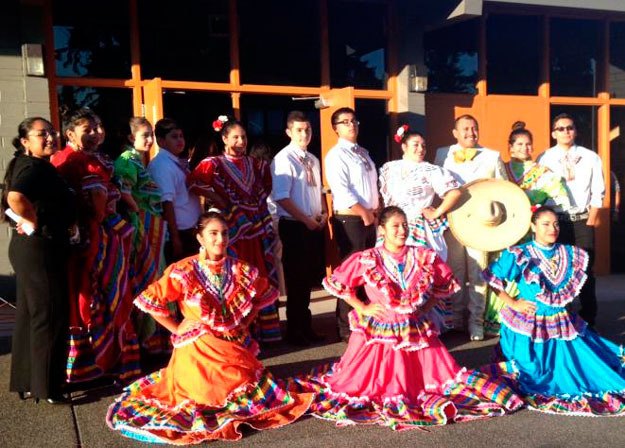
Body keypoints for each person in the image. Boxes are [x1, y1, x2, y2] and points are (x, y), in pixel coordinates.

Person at [284, 206, 523, 430]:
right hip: (380, 328)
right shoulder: (368, 258)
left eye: (405, 225)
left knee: (442, 381)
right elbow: (339, 284)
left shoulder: (422, 255)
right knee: (361, 384)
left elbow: (445, 285)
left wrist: (425, 307)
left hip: (414, 328)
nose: (402, 231)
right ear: (382, 230)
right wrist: (363, 307)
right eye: (396, 226)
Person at [106, 211, 314, 444]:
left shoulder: (239, 269)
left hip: (232, 342)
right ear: (200, 239)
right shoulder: (184, 270)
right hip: (199, 346)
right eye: (213, 233)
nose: (220, 239)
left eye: (224, 233)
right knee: (205, 394)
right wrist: (177, 328)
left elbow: (262, 295)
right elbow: (152, 301)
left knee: (244, 389)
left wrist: (243, 322)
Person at [482, 206, 625, 416]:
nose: (553, 228)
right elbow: (493, 278)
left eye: (556, 224)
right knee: (534, 372)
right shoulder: (520, 253)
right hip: (529, 325)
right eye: (546, 224)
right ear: (533, 226)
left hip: (560, 322)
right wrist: (512, 303)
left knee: (590, 366)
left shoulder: (569, 253)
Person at [52, 108, 139, 383]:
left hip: (99, 236)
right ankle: (99, 362)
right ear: (69, 133)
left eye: (95, 128)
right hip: (92, 239)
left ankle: (103, 361)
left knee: (106, 294)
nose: (93, 134)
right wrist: (106, 216)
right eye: (86, 129)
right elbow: (97, 201)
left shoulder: (92, 159)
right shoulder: (73, 160)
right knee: (94, 296)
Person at [2, 117, 75, 404]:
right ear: (25, 141)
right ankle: (48, 388)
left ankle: (26, 380)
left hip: (31, 248)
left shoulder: (27, 165)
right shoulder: (33, 167)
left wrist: (30, 220)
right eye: (42, 134)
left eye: (52, 133)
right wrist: (32, 221)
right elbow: (14, 196)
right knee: (50, 315)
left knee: (30, 314)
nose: (50, 138)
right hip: (39, 250)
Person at [188, 118, 281, 343]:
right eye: (235, 137)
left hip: (256, 230)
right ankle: (239, 332)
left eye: (244, 137)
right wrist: (218, 198)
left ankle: (265, 331)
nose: (241, 141)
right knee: (236, 277)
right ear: (224, 139)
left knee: (259, 276)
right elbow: (193, 184)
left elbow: (265, 189)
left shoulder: (257, 165)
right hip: (232, 232)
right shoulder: (214, 164)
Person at [483, 122, 571, 335]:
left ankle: (529, 313)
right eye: (519, 144)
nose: (524, 148)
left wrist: (540, 207)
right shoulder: (500, 169)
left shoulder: (543, 172)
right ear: (510, 147)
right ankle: (498, 317)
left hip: (530, 232)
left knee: (527, 271)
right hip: (504, 231)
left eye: (528, 144)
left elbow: (561, 198)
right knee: (502, 269)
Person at [434, 114, 507, 341]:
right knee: (454, 271)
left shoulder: (492, 155)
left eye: (474, 128)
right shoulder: (442, 154)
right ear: (455, 133)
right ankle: (455, 319)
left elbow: (504, 189)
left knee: (478, 273)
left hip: (481, 223)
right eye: (465, 129)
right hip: (452, 223)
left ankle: (476, 322)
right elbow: (435, 188)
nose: (470, 133)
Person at [537, 113, 605, 327]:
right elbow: (538, 190)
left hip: (582, 219)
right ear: (553, 133)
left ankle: (588, 317)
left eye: (570, 127)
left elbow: (598, 190)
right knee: (557, 269)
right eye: (561, 128)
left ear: (575, 131)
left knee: (585, 269)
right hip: (555, 220)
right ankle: (563, 315)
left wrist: (591, 219)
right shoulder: (544, 157)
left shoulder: (590, 156)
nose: (566, 131)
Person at [271, 111, 327, 346]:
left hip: (312, 224)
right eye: (299, 130)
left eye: (308, 129)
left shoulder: (312, 159)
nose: (305, 134)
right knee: (296, 280)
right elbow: (282, 197)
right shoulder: (284, 159)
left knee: (308, 280)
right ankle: (295, 332)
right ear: (289, 132)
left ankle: (306, 327)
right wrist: (306, 220)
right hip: (295, 225)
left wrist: (323, 213)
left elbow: (318, 191)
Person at [115, 117, 169, 354]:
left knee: (155, 278)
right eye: (144, 135)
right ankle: (145, 340)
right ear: (130, 137)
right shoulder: (127, 160)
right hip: (142, 227)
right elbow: (124, 192)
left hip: (151, 225)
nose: (149, 140)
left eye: (151, 135)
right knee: (148, 279)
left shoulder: (138, 160)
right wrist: (138, 211)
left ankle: (154, 339)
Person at [325, 107, 379, 342]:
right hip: (351, 218)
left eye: (353, 121)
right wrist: (363, 212)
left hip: (369, 217)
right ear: (335, 128)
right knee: (350, 273)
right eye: (344, 122)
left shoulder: (363, 152)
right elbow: (342, 190)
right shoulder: (336, 155)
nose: (351, 125)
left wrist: (375, 212)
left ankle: (363, 321)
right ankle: (345, 326)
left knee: (367, 271)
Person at [379, 125, 461, 261]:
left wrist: (436, 212)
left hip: (417, 225)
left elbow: (454, 193)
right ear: (404, 147)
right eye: (416, 145)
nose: (421, 149)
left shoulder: (431, 170)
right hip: (392, 226)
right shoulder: (390, 168)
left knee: (419, 265)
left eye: (423, 146)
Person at [148, 118, 202, 263]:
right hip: (179, 234)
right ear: (161, 141)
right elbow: (166, 203)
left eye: (181, 136)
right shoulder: (161, 165)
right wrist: (175, 239)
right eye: (174, 136)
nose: (180, 140)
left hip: (190, 232)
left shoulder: (176, 162)